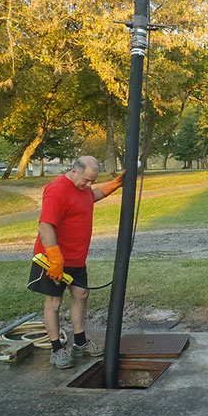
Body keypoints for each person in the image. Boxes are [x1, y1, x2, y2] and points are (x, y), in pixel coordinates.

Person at [27, 156, 125, 369]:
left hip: (76, 258)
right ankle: (57, 350)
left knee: (81, 294)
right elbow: (45, 226)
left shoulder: (83, 189)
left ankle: (80, 343)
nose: (89, 185)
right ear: (74, 170)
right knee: (54, 302)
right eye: (87, 180)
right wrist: (54, 257)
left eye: (93, 181)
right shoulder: (57, 190)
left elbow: (93, 195)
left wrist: (115, 185)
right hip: (52, 260)